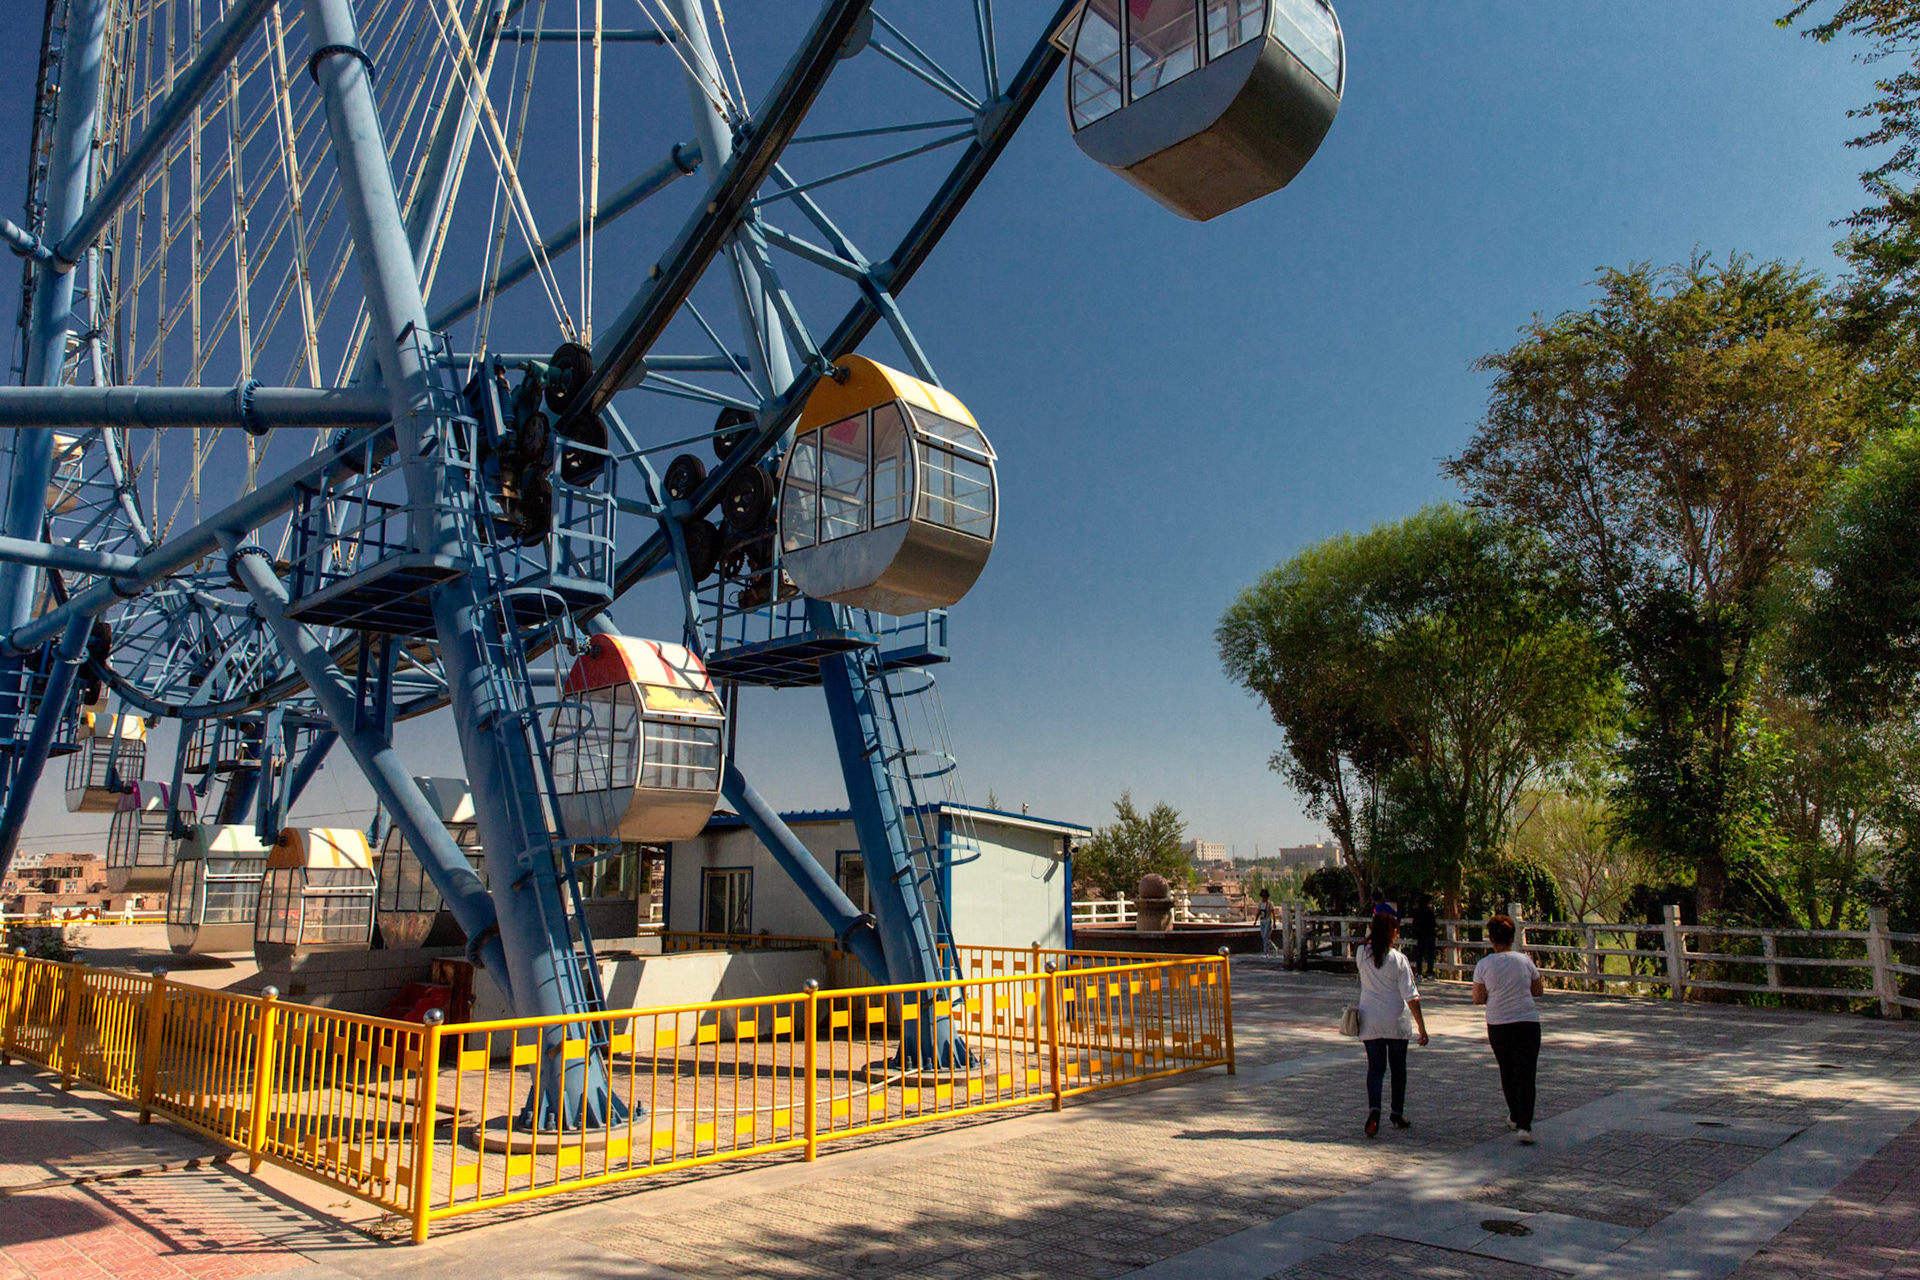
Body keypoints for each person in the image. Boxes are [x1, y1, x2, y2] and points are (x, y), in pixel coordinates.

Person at [1356, 911, 1428, 1138]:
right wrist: (1421, 1026)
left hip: (1370, 1020)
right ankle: (1397, 1112)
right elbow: (1411, 996)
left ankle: (1374, 1110)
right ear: (1393, 932)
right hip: (1396, 1020)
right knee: (1398, 1069)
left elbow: (1366, 944)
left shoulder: (1361, 954)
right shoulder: (1398, 959)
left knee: (1375, 1069)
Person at [1473, 913, 1544, 1144]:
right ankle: (1525, 1125)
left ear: (1491, 939)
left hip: (1499, 1023)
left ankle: (1515, 1114)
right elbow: (1537, 991)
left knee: (1507, 1070)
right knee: (1527, 1073)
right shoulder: (1525, 961)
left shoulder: (1483, 965)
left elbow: (1478, 998)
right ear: (1513, 938)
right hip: (1527, 1020)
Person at [1409, 896, 1439, 979]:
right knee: (1430, 955)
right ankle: (1430, 972)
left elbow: (1414, 924)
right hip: (1429, 935)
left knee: (1419, 955)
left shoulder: (1416, 912)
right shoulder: (1429, 912)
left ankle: (1419, 973)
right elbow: (1434, 924)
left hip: (1420, 936)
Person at [1256, 888, 1277, 956]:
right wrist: (1255, 921)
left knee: (1265, 936)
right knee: (1264, 937)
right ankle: (1274, 948)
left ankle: (1266, 952)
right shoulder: (1260, 904)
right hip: (1262, 921)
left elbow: (1273, 914)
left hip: (1268, 921)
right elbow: (1258, 912)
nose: (1264, 898)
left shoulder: (1270, 904)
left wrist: (1274, 923)